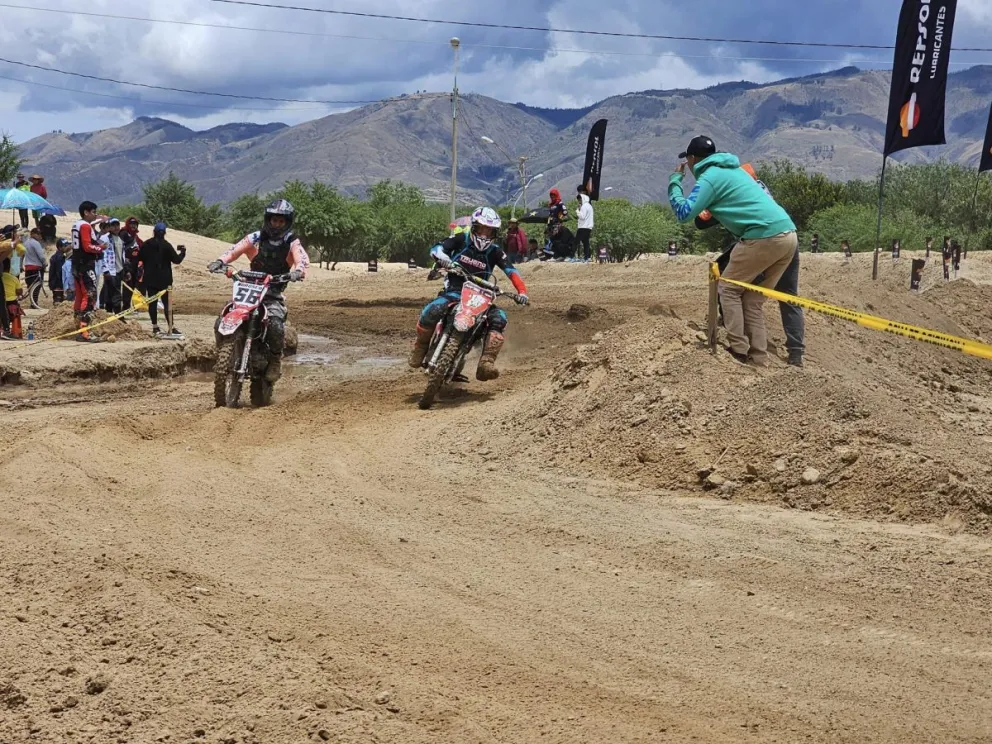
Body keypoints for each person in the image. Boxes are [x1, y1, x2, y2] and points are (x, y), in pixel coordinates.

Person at [669, 136, 798, 366]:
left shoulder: (710, 177)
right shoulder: (735, 170)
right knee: (752, 299)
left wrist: (675, 181)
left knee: (727, 289)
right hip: (789, 234)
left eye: (687, 160)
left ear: (691, 159)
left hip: (762, 236)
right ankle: (759, 357)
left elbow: (684, 214)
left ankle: (738, 350)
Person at [701, 162, 805, 368]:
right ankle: (793, 353)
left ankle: (737, 342)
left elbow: (701, 221)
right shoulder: (760, 189)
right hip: (788, 239)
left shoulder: (742, 195)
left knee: (730, 287)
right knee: (783, 296)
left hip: (765, 241)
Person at [408, 206, 529, 381]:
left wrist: (522, 292)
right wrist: (445, 260)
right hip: (455, 291)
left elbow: (511, 271)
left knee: (499, 318)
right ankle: (420, 347)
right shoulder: (460, 240)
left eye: (489, 231)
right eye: (481, 229)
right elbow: (438, 248)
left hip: (482, 295)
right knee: (433, 309)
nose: (484, 235)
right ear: (473, 227)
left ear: (495, 233)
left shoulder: (496, 251)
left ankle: (486, 363)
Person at [207, 200, 308, 383]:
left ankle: (275, 360)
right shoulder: (256, 237)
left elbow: (301, 257)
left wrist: (298, 272)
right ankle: (223, 353)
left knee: (276, 324)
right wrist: (220, 261)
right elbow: (235, 249)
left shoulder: (291, 241)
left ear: (287, 222)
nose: (276, 225)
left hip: (273, 293)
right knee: (222, 319)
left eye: (281, 221)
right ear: (268, 220)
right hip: (249, 288)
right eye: (274, 220)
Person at [139, 222, 186, 335]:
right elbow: (177, 260)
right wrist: (183, 253)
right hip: (165, 280)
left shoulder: (146, 244)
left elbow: (140, 258)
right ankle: (171, 327)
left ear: (154, 232)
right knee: (167, 304)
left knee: (152, 303)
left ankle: (155, 327)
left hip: (150, 279)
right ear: (164, 233)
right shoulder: (166, 245)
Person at [71, 201, 104, 342]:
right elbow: (87, 246)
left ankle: (78, 328)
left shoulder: (76, 225)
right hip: (85, 264)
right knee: (90, 295)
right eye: (93, 212)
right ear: (86, 212)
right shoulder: (84, 225)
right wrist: (101, 248)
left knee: (79, 296)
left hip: (77, 264)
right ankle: (84, 331)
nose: (95, 214)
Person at [99, 218, 124, 313]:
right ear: (109, 227)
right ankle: (119, 316)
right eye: (113, 225)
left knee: (112, 293)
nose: (116, 227)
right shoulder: (104, 238)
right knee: (115, 295)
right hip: (110, 270)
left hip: (119, 270)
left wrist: (125, 270)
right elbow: (101, 255)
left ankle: (110, 314)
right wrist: (105, 270)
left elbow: (122, 255)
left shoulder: (120, 239)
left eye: (117, 225)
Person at [22, 227, 46, 309]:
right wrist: (45, 263)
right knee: (37, 286)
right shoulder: (36, 243)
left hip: (28, 267)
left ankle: (32, 302)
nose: (40, 236)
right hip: (36, 267)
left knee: (30, 285)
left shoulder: (25, 243)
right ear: (33, 234)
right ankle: (34, 302)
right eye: (38, 234)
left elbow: (22, 255)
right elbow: (41, 256)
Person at [1, 259, 23, 338]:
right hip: (12, 306)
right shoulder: (14, 278)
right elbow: (19, 292)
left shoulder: (1, 278)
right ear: (9, 267)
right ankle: (14, 332)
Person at [575, 185, 595, 262]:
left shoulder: (586, 201)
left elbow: (584, 214)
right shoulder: (585, 200)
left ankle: (586, 256)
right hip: (585, 224)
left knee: (581, 241)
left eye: (580, 191)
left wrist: (578, 211)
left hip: (585, 225)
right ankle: (586, 256)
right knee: (584, 241)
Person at [49, 238, 70, 305]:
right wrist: (62, 284)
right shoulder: (59, 258)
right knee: (58, 302)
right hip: (57, 284)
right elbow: (59, 272)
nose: (67, 247)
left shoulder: (56, 256)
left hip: (55, 282)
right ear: (60, 247)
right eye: (65, 246)